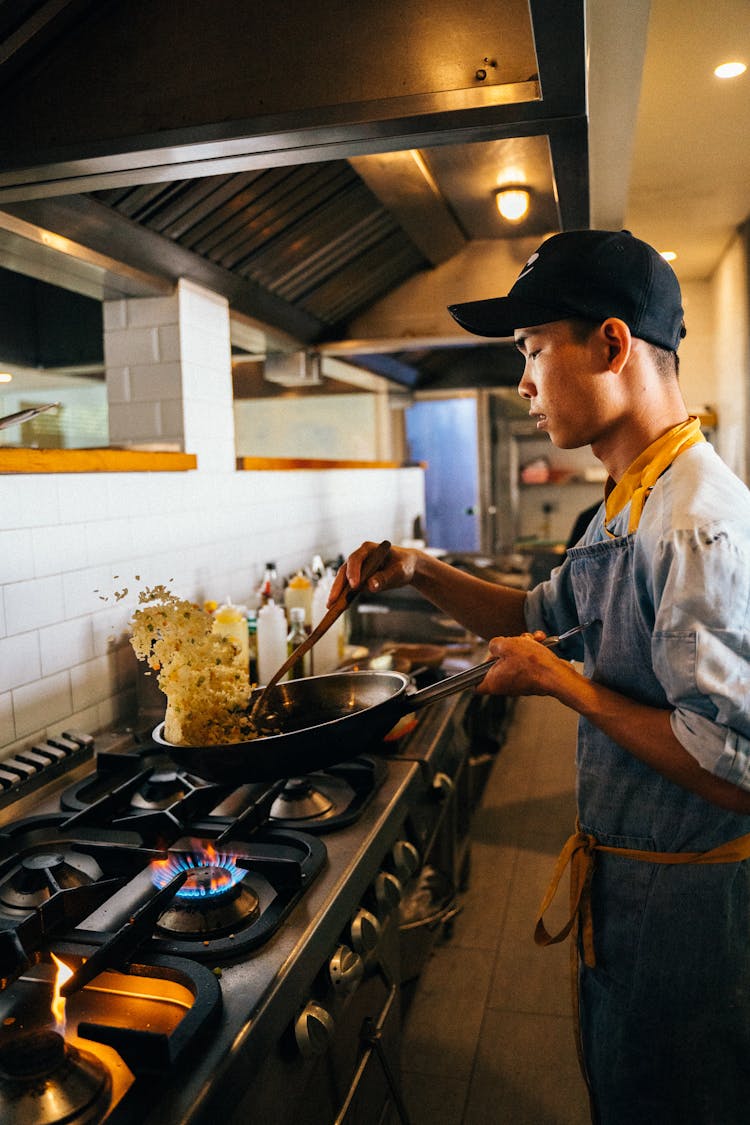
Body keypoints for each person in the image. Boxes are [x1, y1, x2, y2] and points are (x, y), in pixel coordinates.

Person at [330, 230, 750, 1125]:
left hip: (695, 914)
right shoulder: (629, 501)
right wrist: (420, 568)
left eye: (531, 350)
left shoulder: (693, 523)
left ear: (611, 344)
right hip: (631, 889)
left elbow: (732, 769)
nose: (521, 382)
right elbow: (534, 616)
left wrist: (563, 684)